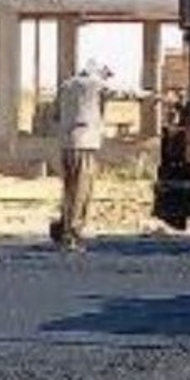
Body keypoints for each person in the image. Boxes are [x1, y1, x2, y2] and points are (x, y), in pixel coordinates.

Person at [51, 60, 150, 251]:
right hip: (86, 143)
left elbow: (55, 115)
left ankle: (63, 226)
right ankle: (73, 233)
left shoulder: (66, 85)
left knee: (69, 189)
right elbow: (123, 93)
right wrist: (149, 95)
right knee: (82, 190)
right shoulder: (95, 83)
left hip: (66, 143)